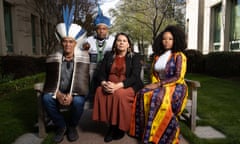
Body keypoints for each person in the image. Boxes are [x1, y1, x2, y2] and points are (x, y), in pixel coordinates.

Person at [129, 25, 188, 144]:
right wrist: (155, 84)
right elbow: (154, 74)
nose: (166, 41)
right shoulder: (158, 56)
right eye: (164, 39)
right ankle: (145, 133)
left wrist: (158, 85)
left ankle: (164, 136)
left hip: (176, 86)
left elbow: (178, 77)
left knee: (158, 97)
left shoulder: (179, 56)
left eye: (170, 39)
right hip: (159, 85)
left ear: (176, 40)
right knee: (142, 94)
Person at [41, 5, 89, 143]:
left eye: (70, 42)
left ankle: (72, 126)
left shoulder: (83, 58)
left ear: (75, 43)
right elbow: (50, 81)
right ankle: (61, 126)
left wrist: (72, 95)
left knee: (79, 101)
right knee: (46, 98)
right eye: (65, 41)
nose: (67, 44)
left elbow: (83, 81)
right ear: (61, 43)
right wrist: (59, 94)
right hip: (59, 90)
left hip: (76, 91)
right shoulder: (53, 57)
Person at [92, 32, 144, 143]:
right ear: (115, 43)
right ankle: (111, 125)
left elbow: (135, 76)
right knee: (100, 91)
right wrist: (104, 83)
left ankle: (120, 128)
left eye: (124, 41)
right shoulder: (108, 55)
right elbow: (101, 73)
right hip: (110, 84)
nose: (121, 43)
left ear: (128, 45)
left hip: (128, 85)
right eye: (119, 40)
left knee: (119, 94)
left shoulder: (135, 57)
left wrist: (117, 86)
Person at [83, 5, 115, 102]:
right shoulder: (88, 40)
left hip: (107, 67)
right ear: (96, 29)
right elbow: (82, 52)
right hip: (91, 67)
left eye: (104, 29)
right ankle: (89, 96)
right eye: (99, 28)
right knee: (90, 73)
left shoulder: (113, 40)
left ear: (107, 29)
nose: (101, 31)